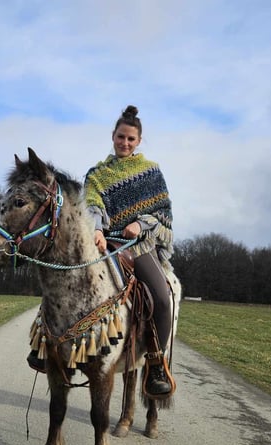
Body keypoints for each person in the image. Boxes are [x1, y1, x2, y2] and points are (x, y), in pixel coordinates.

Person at [84, 105, 176, 398]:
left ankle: (156, 363)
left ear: (138, 141)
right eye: (121, 137)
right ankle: (49, 346)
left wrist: (140, 223)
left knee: (162, 299)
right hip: (103, 245)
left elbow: (163, 211)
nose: (125, 143)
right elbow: (92, 204)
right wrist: (96, 228)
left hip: (139, 247)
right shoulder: (97, 174)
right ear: (113, 136)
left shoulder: (150, 172)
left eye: (131, 139)